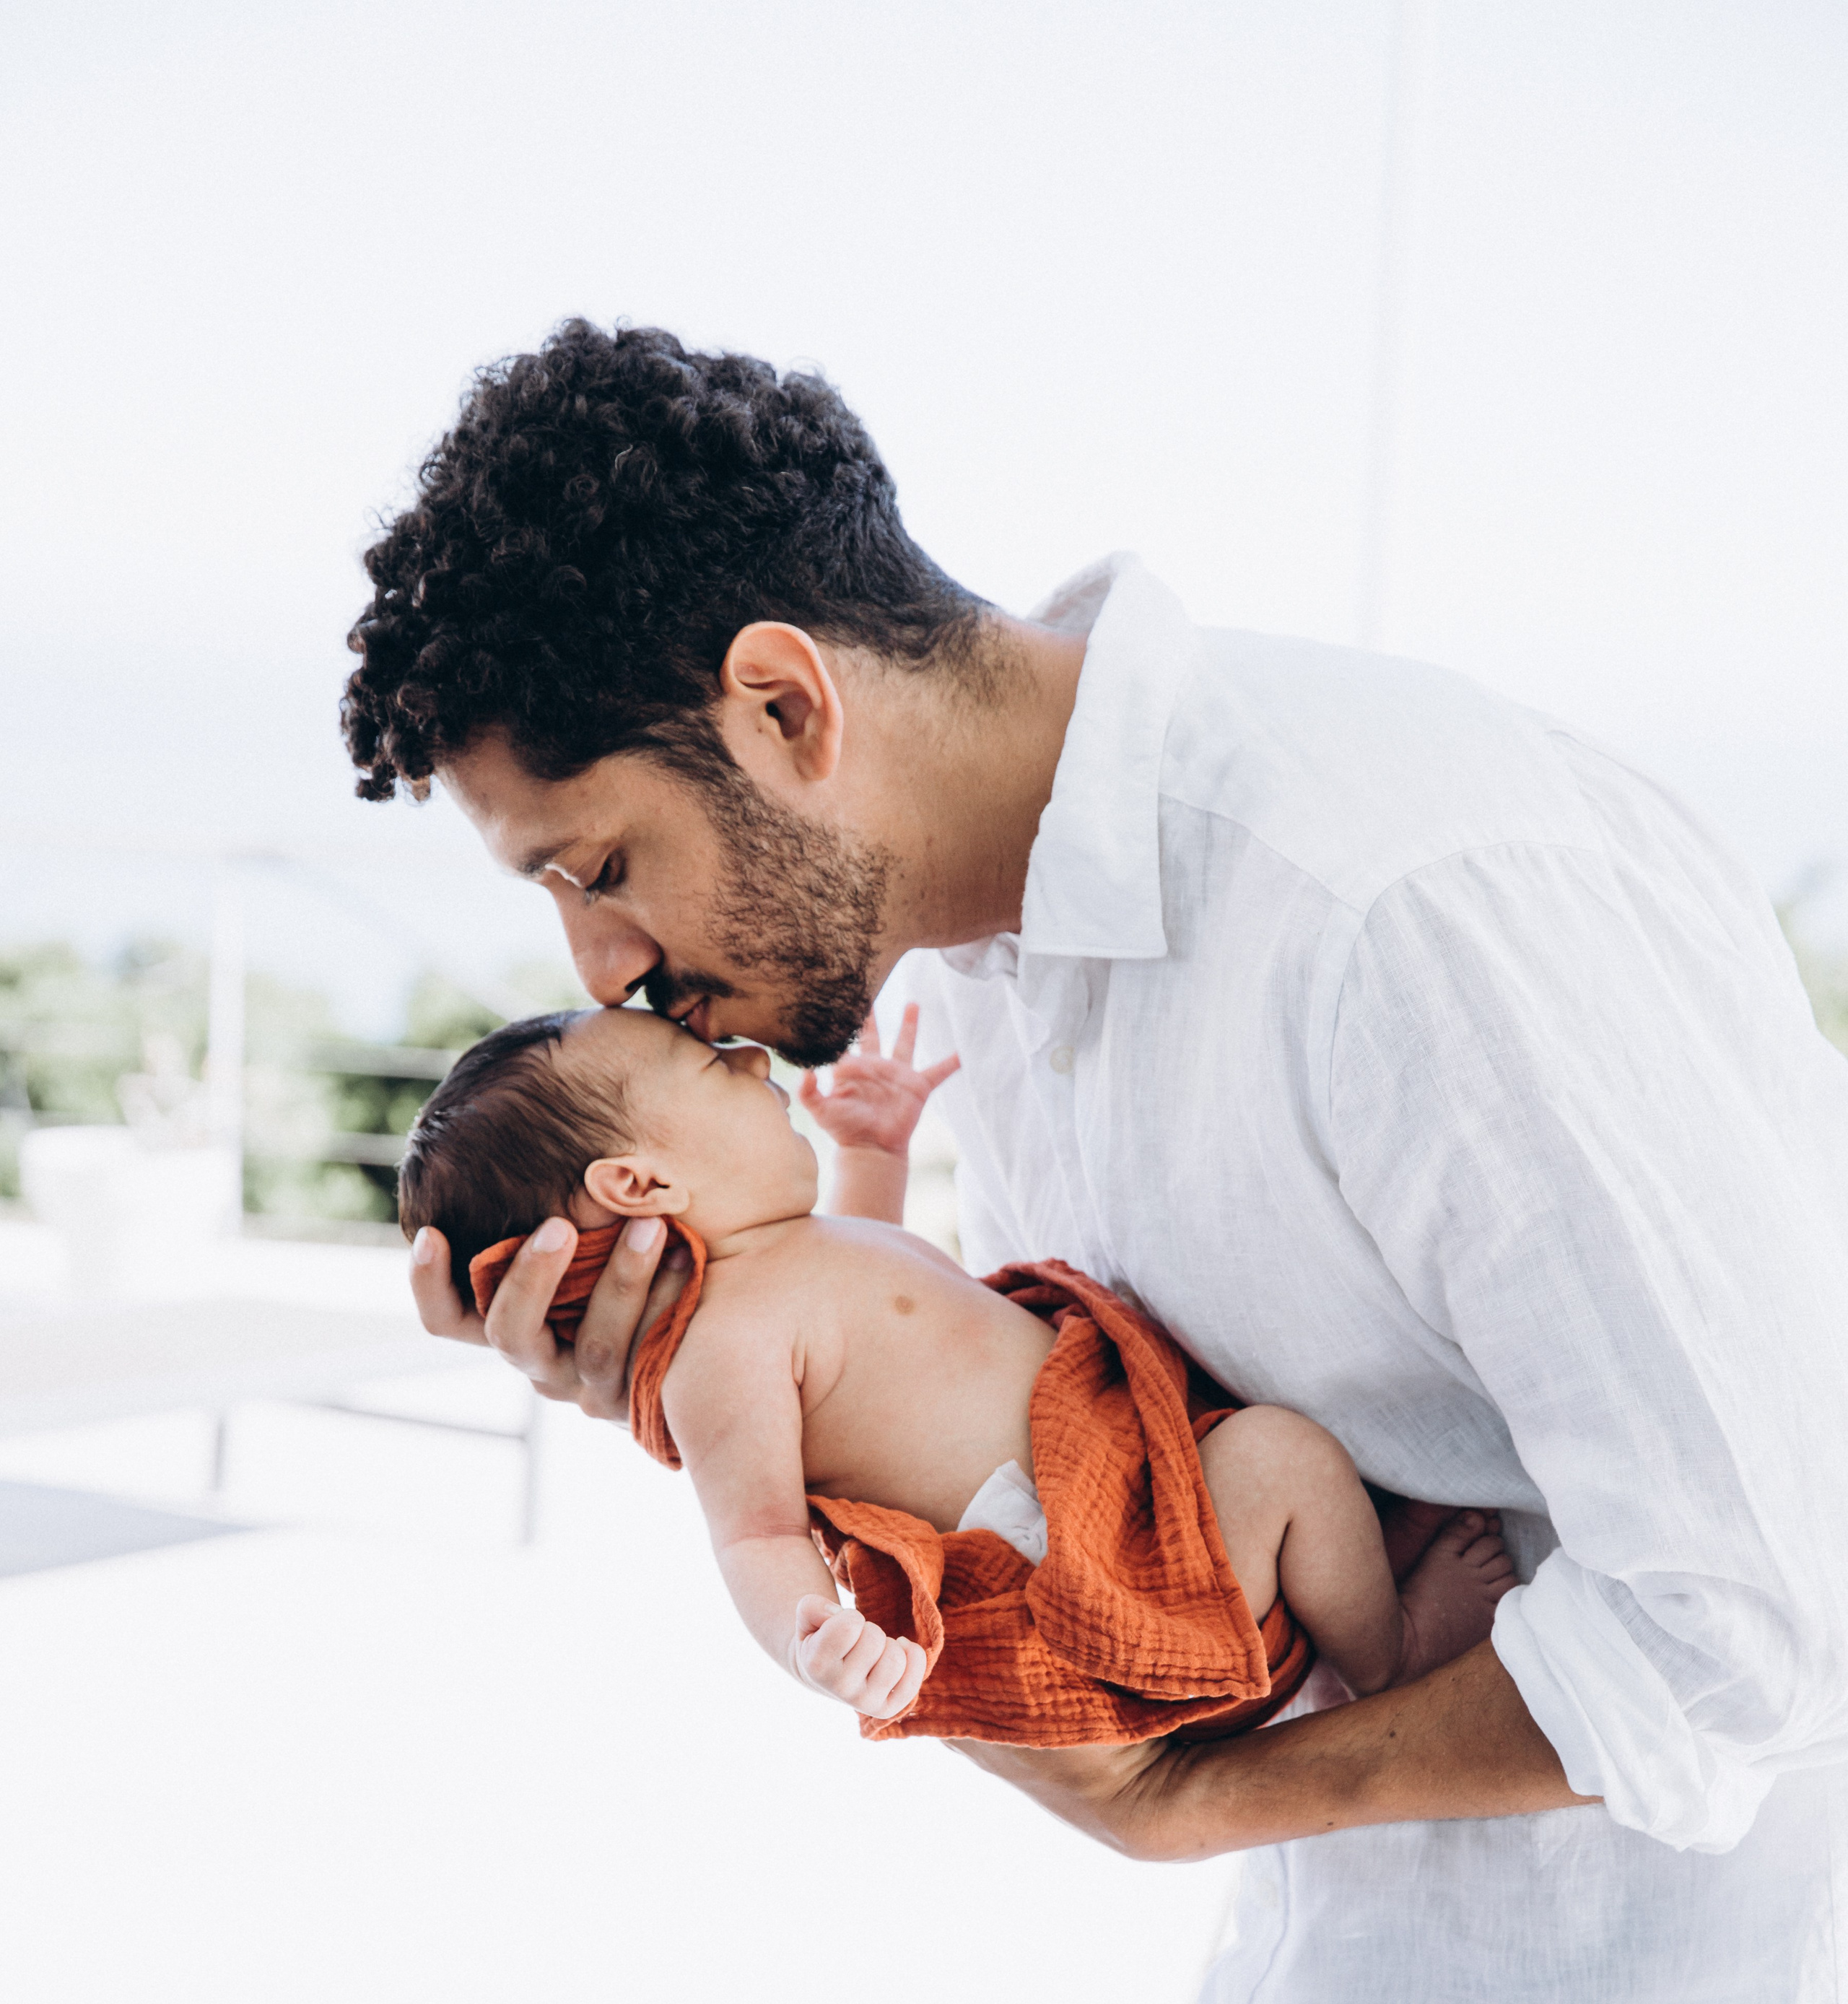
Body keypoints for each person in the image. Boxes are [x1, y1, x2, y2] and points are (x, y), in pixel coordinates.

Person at [341, 320, 1848, 2000]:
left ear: (782, 703)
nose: (603, 971)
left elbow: (1759, 1616)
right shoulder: (986, 966)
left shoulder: (1395, 895)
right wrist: (707, 1388)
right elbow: (1077, 1513)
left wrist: (1188, 1804)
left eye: (602, 861)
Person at [393, 1000, 1517, 1734]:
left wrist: (871, 1149)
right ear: (641, 1186)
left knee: (1277, 1455)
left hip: (1138, 1495)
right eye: (703, 1062)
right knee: (1286, 1457)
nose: (742, 1052)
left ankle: (1348, 1587)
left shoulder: (788, 1258)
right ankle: (1394, 1657)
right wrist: (813, 1638)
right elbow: (757, 1532)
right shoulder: (721, 1349)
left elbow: (871, 1264)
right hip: (1104, 1576)